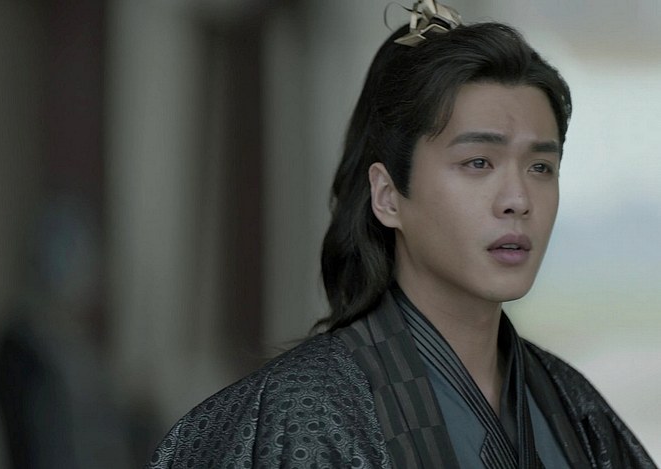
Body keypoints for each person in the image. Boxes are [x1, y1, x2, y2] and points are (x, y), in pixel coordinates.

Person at [146, 1, 657, 467]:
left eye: (541, 167)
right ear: (388, 196)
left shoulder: (574, 409)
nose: (518, 200)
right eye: (479, 162)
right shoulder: (303, 412)